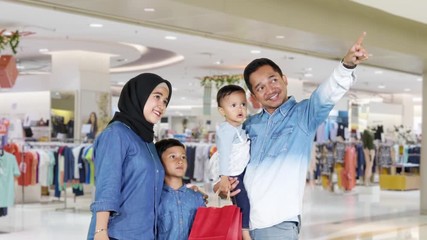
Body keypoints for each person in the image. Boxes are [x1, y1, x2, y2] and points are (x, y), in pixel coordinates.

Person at [215, 32, 369, 239]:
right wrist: (222, 183)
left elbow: (326, 95)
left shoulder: (303, 115)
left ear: (284, 80)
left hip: (278, 223)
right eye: (260, 87)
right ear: (254, 97)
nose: (270, 90)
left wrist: (346, 66)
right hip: (244, 222)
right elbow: (225, 157)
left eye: (273, 80)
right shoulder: (249, 125)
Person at [87, 73, 172, 240]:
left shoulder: (147, 140)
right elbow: (107, 187)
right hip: (117, 234)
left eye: (165, 101)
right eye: (157, 96)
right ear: (139, 95)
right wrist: (100, 232)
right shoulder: (116, 134)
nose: (161, 105)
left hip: (145, 233)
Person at [215, 84, 251, 240]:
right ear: (222, 111)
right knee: (243, 203)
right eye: (234, 105)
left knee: (244, 202)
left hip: (242, 170)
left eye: (243, 104)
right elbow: (223, 155)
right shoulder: (226, 130)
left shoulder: (240, 127)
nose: (240, 109)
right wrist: (224, 178)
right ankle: (244, 232)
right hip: (233, 173)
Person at [154, 138, 205, 240]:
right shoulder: (154, 198)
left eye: (183, 157)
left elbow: (206, 229)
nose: (180, 161)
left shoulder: (197, 197)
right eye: (173, 156)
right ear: (159, 162)